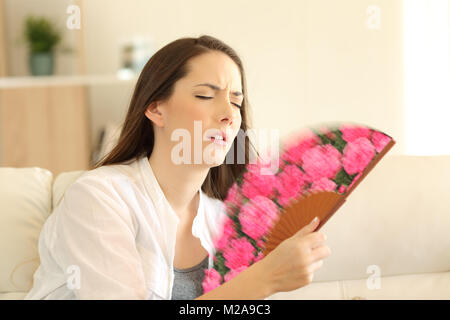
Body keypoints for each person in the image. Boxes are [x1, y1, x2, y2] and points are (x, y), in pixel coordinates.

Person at [25, 35, 331, 300]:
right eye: (205, 95)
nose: (228, 114)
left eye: (236, 102)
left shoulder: (222, 220)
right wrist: (263, 279)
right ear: (157, 108)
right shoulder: (99, 198)